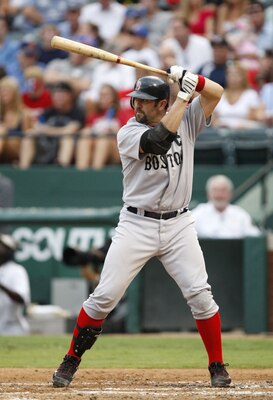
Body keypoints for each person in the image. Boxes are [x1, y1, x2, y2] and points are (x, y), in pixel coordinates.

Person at [52, 67, 232, 388]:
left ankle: (217, 365)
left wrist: (194, 79)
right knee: (104, 297)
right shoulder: (128, 132)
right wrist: (184, 96)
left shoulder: (187, 118)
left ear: (161, 104)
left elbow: (216, 93)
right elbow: (159, 141)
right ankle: (70, 360)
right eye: (136, 99)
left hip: (179, 224)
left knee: (200, 295)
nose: (137, 105)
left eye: (146, 101)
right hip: (137, 223)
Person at [192, 175, 261, 238]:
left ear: (230, 193)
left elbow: (255, 236)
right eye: (215, 190)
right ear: (208, 193)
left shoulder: (240, 214)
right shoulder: (198, 213)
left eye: (223, 190)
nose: (219, 195)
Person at [0, 233, 31, 335]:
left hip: (12, 329)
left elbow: (21, 298)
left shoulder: (16, 270)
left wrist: (2, 286)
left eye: (2, 246)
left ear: (10, 251)